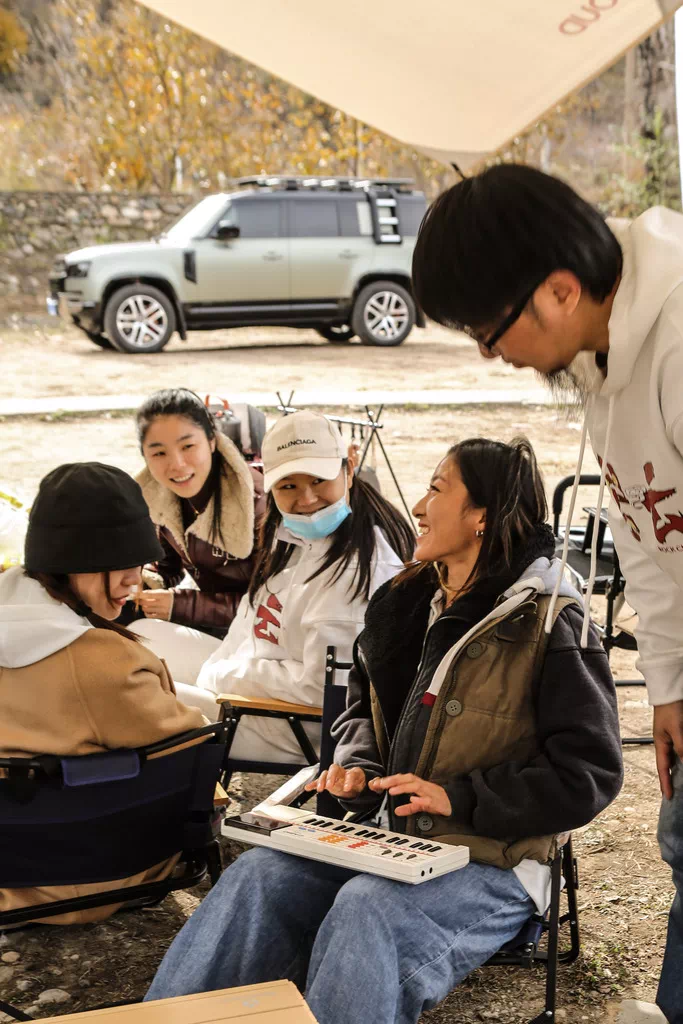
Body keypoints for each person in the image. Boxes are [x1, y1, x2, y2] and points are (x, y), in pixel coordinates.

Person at [145, 437, 623, 1024]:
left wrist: (462, 797)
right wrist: (358, 768)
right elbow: (359, 716)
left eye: (437, 490)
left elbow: (589, 772)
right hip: (389, 839)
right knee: (258, 878)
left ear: (482, 517)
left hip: (495, 859)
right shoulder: (405, 600)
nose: (418, 508)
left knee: (368, 908)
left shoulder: (549, 620)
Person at [411, 163, 683, 1023]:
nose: (490, 354)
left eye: (488, 330)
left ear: (559, 290)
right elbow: (648, 544)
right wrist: (670, 687)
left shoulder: (677, 342)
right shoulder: (605, 365)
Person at [0, 463, 207, 925]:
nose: (136, 580)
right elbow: (190, 749)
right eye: (130, 562)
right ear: (89, 561)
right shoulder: (106, 664)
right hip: (78, 879)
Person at [187, 409, 414, 751]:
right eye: (289, 485)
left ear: (348, 472)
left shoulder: (357, 568)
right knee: (147, 642)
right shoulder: (292, 535)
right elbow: (252, 618)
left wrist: (226, 675)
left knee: (149, 700)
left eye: (318, 480)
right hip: (255, 685)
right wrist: (224, 668)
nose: (306, 499)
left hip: (300, 727)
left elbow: (327, 692)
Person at [131, 387, 265, 647]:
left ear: (212, 441)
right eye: (159, 453)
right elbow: (165, 566)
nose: (177, 464)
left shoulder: (256, 502)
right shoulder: (158, 497)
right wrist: (142, 582)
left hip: (260, 639)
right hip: (214, 624)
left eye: (188, 446)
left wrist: (180, 604)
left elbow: (272, 606)